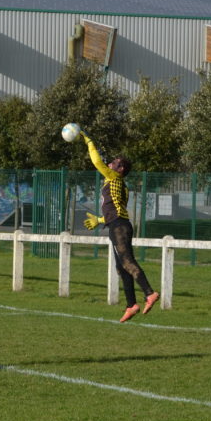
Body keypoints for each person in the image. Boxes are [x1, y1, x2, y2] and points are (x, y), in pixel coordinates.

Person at [81, 132, 159, 323]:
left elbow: (97, 162)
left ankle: (149, 293)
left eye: (114, 162)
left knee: (127, 261)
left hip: (119, 227)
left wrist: (89, 143)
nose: (109, 164)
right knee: (121, 267)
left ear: (121, 169)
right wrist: (100, 220)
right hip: (118, 224)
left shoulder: (115, 177)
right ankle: (131, 305)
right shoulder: (119, 184)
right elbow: (117, 210)